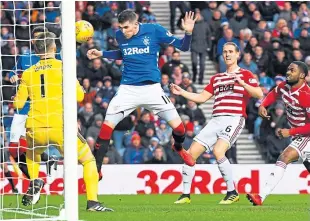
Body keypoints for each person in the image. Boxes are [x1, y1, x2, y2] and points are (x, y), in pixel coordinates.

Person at [87, 10, 197, 178]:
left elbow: (184, 46)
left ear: (136, 24)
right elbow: (123, 53)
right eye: (121, 28)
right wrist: (102, 53)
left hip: (152, 89)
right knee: (105, 128)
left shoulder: (154, 30)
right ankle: (97, 169)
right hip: (127, 90)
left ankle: (179, 148)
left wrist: (188, 32)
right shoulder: (120, 36)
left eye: (127, 27)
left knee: (180, 129)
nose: (124, 31)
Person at [13, 32, 113, 212]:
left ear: (36, 51)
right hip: (60, 127)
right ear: (54, 48)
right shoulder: (63, 68)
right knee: (88, 160)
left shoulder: (27, 73)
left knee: (32, 154)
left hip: (35, 127)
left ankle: (35, 179)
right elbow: (80, 96)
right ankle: (92, 202)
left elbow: (18, 104)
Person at [170, 42, 263, 204]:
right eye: (224, 52)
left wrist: (243, 84)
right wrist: (182, 92)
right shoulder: (217, 78)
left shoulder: (246, 74)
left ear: (237, 54)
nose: (227, 54)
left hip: (234, 118)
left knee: (218, 151)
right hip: (216, 119)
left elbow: (258, 93)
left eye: (230, 52)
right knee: (190, 154)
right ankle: (185, 195)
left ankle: (232, 192)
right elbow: (201, 98)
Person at [247, 61, 310, 206]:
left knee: (285, 156)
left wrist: (291, 131)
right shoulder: (284, 86)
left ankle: (260, 197)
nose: (288, 72)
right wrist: (263, 104)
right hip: (299, 134)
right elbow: (273, 94)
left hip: (306, 135)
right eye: (288, 69)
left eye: (292, 70)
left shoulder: (306, 96)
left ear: (301, 75)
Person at [8, 26, 58, 176]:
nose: (37, 41)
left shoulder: (55, 58)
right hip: (22, 106)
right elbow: (12, 72)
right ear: (32, 40)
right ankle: (46, 162)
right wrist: (13, 76)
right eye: (36, 38)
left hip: (39, 108)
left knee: (27, 144)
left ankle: (34, 181)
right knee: (12, 149)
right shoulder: (25, 58)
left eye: (41, 38)